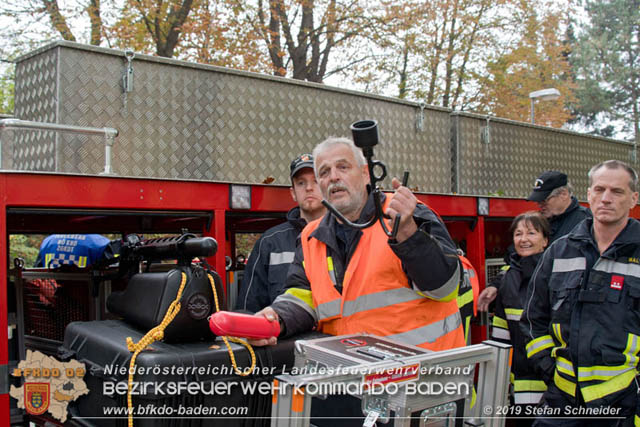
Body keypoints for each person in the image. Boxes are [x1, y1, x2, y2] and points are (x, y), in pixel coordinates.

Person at [253, 136, 465, 351]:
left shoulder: (406, 213)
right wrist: (276, 317)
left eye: (343, 167)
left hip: (425, 377)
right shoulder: (311, 237)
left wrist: (409, 235)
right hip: (354, 375)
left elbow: (446, 289)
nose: (333, 177)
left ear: (365, 174)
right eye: (324, 173)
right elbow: (302, 296)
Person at [522, 160, 640, 426]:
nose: (606, 199)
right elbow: (533, 317)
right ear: (588, 195)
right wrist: (548, 367)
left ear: (634, 198)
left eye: (617, 192)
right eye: (599, 190)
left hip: (622, 403)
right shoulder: (560, 250)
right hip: (561, 399)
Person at [476, 170, 591, 312]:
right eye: (538, 201)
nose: (540, 205)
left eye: (544, 200)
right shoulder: (539, 221)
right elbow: (516, 261)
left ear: (564, 194)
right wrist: (496, 285)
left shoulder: (586, 224)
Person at [237, 154, 325, 312]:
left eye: (316, 181)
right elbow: (248, 308)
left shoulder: (343, 234)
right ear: (293, 193)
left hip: (333, 336)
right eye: (301, 183)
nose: (309, 188)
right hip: (282, 335)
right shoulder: (270, 242)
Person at [491, 211, 550, 425]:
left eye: (531, 233)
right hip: (518, 383)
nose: (523, 239)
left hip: (553, 382)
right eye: (518, 234)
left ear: (545, 240)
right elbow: (500, 330)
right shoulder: (507, 278)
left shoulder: (555, 274)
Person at [35, 234, 111, 268]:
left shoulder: (48, 241)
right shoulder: (99, 242)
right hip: (87, 294)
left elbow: (37, 270)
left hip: (52, 294)